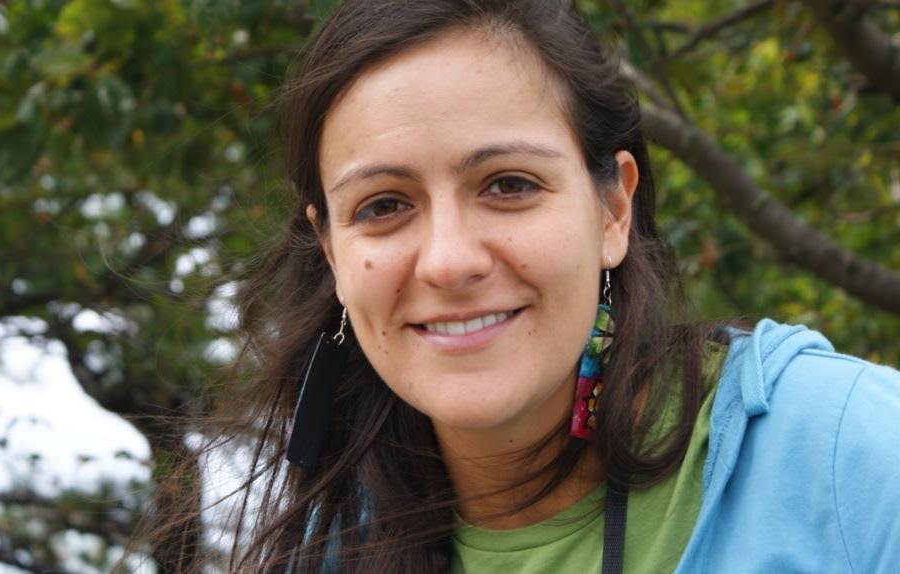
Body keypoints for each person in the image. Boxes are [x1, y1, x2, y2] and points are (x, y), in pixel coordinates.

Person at [141, 1, 900, 572]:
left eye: (508, 184)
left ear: (613, 209)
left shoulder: (852, 456)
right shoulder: (326, 549)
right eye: (383, 206)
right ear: (333, 253)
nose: (448, 262)